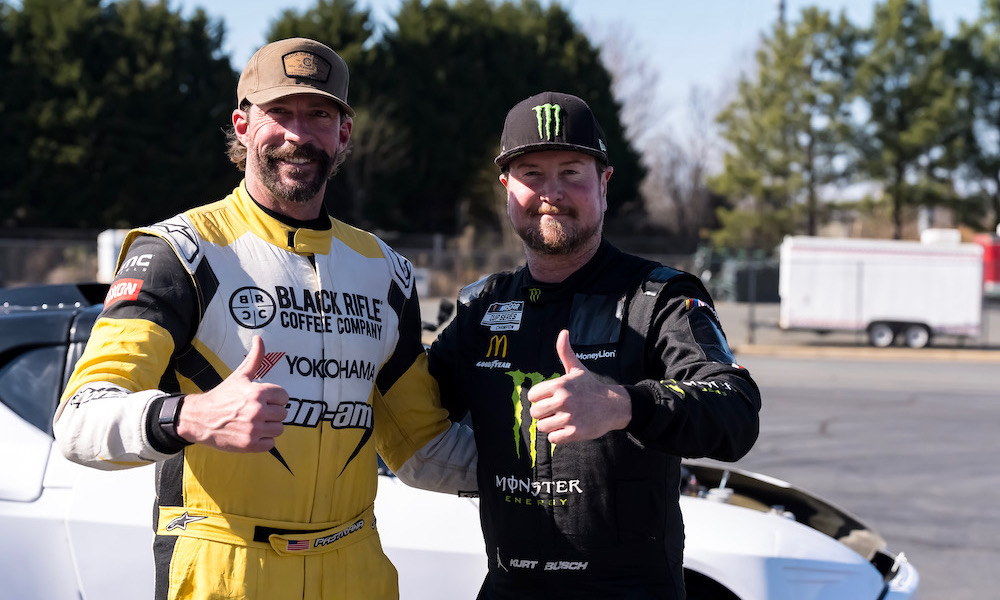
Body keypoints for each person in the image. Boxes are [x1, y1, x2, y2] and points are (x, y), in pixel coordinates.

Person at [54, 38, 475, 600]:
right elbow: (79, 422)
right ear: (243, 125)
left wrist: (572, 465)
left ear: (344, 133)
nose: (298, 135)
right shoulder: (179, 251)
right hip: (225, 572)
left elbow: (423, 450)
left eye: (319, 114)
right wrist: (191, 416)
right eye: (279, 113)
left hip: (357, 571)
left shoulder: (384, 271)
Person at [426, 91, 762, 599]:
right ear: (506, 188)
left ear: (604, 183)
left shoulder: (660, 296)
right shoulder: (481, 307)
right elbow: (409, 401)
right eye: (532, 174)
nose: (551, 191)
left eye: (571, 172)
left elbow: (736, 411)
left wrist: (623, 404)